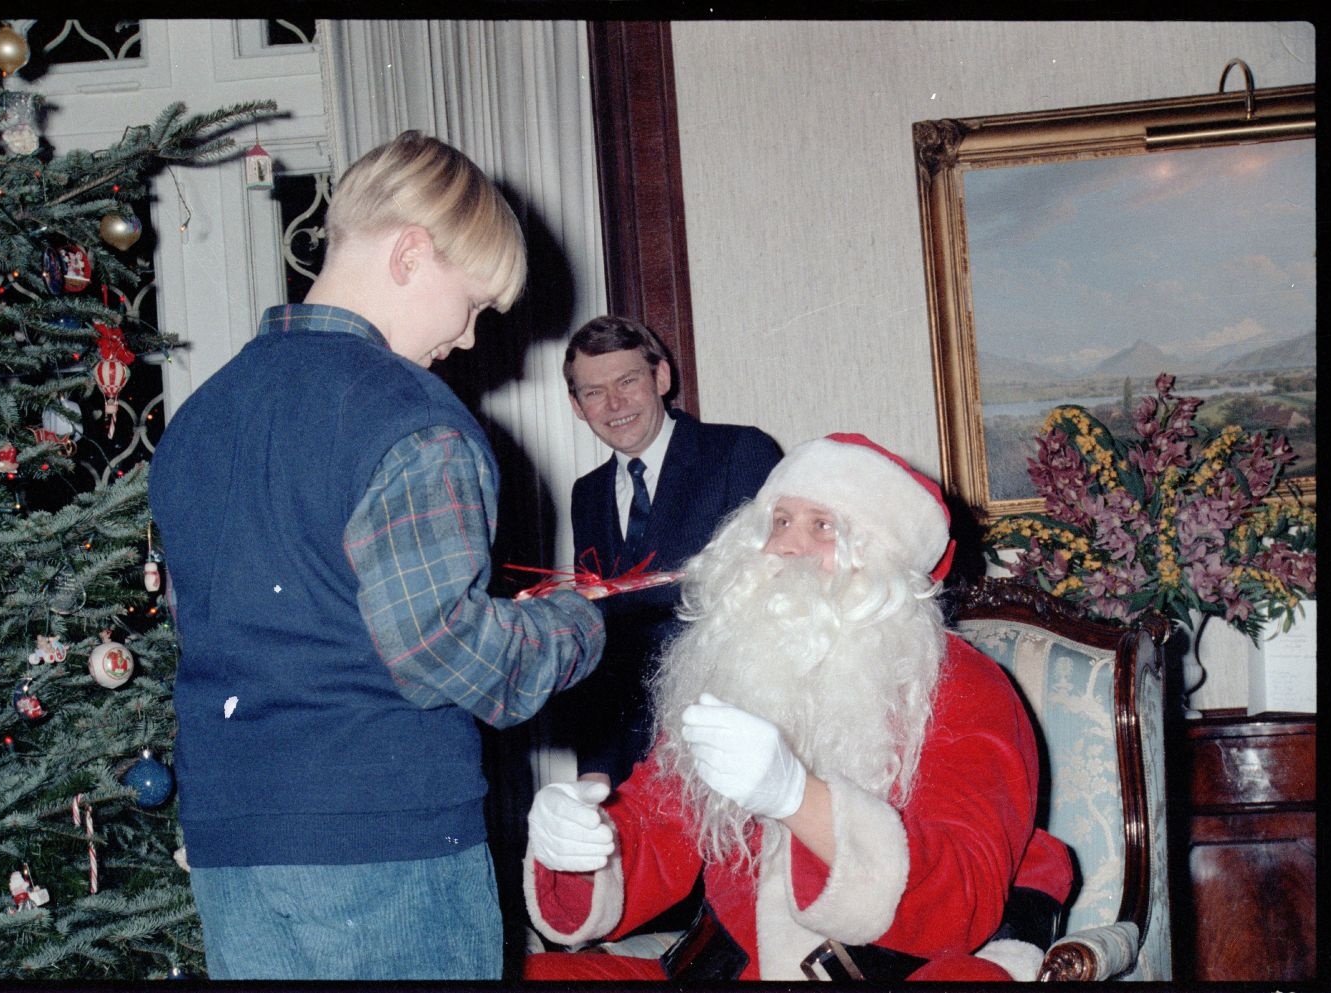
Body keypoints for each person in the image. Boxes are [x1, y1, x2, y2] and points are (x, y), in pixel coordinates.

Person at [149, 130, 607, 981]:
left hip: (230, 838)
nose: (468, 338)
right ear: (410, 254)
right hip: (385, 835)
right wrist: (577, 626)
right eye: (470, 304)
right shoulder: (412, 416)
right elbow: (444, 654)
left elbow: (211, 624)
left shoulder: (200, 417)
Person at [521, 434, 1076, 982]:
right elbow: (656, 827)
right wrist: (582, 844)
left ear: (882, 560)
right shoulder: (741, 670)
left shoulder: (962, 683)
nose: (787, 545)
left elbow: (962, 899)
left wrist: (798, 799)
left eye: (822, 526)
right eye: (780, 522)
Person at [555, 316, 782, 787]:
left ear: (660, 377)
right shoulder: (587, 495)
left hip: (731, 742)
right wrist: (595, 771)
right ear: (577, 406)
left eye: (627, 381)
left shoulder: (740, 452)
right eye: (594, 392)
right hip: (632, 762)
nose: (614, 404)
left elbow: (774, 612)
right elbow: (600, 643)